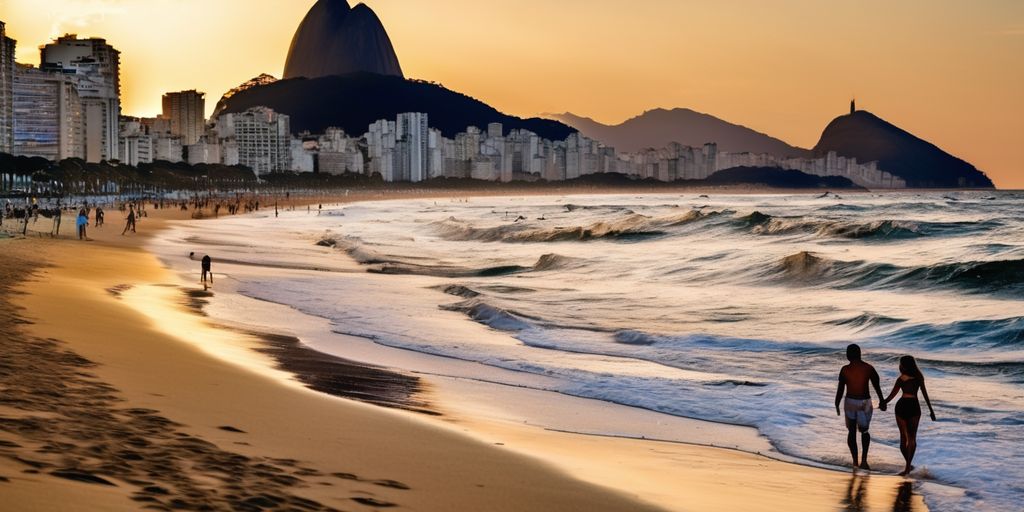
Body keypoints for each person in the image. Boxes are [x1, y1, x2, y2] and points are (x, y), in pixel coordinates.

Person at [881, 356, 936, 476]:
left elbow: (892, 395)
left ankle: (908, 466)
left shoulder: (901, 379)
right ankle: (908, 466)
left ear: (904, 366)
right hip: (914, 407)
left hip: (901, 406)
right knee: (912, 439)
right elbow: (925, 395)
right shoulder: (919, 378)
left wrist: (883, 402)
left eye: (900, 364)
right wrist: (931, 410)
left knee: (903, 439)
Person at [835, 343, 886, 470]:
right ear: (859, 354)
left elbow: (840, 389)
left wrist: (836, 402)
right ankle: (864, 460)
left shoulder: (845, 369)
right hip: (864, 403)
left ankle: (855, 462)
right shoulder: (869, 368)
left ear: (849, 355)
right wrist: (882, 400)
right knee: (864, 431)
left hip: (850, 402)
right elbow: (877, 386)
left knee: (851, 432)